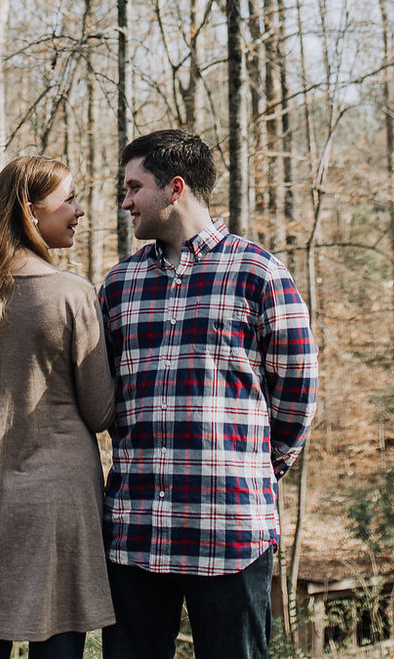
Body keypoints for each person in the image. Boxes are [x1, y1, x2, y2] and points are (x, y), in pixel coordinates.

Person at [99, 129, 318, 659]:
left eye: (134, 187)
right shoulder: (118, 284)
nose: (124, 201)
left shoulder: (259, 272)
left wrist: (252, 471)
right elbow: (102, 396)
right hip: (136, 536)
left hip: (230, 535)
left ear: (174, 189)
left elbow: (297, 391)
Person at [0, 155, 115, 658]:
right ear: (32, 213)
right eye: (69, 200)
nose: (78, 211)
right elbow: (100, 414)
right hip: (57, 513)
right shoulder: (72, 296)